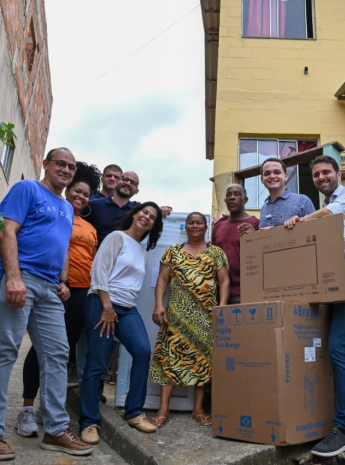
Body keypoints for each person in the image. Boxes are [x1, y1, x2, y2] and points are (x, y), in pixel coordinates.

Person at [0, 148, 92, 460]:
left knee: (57, 355)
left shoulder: (67, 208)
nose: (66, 170)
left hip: (50, 289)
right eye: (61, 164)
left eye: (71, 167)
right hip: (21, 277)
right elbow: (6, 230)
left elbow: (60, 247)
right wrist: (13, 277)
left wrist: (63, 282)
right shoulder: (27, 189)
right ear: (46, 164)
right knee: (4, 351)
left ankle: (55, 430)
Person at [284, 155, 345, 457]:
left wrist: (300, 219)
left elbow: (331, 214)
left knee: (339, 346)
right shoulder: (322, 204)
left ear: (338, 173)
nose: (322, 178)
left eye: (326, 173)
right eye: (317, 175)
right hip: (338, 282)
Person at [16, 161, 101, 438]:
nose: (81, 196)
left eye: (86, 194)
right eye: (77, 191)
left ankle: (47, 410)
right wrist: (61, 282)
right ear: (68, 190)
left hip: (81, 292)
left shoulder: (90, 227)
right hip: (56, 287)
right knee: (38, 350)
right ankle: (27, 408)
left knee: (62, 351)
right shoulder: (57, 214)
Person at [78, 202, 164, 443]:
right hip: (103, 303)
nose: (146, 217)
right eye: (144, 212)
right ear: (135, 214)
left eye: (153, 217)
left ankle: (134, 412)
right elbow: (99, 271)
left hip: (127, 308)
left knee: (143, 351)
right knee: (97, 363)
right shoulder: (116, 237)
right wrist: (106, 306)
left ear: (154, 225)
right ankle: (89, 422)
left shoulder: (141, 249)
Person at [149, 212, 230, 428]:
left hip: (205, 317)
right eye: (191, 223)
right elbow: (163, 278)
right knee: (170, 360)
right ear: (186, 227)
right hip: (176, 316)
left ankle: (198, 409)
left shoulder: (215, 252)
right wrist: (158, 304)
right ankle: (163, 408)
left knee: (203, 361)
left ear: (206, 227)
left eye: (199, 223)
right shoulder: (173, 251)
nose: (195, 226)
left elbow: (224, 280)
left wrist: (221, 308)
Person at [238, 157, 315, 235]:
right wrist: (254, 234)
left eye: (277, 172)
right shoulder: (264, 208)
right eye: (267, 173)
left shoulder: (303, 201)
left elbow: (315, 231)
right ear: (262, 179)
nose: (272, 176)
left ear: (285, 176)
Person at [211, 183, 259, 304]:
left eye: (237, 194)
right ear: (225, 200)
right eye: (229, 195)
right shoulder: (218, 225)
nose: (232, 197)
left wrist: (255, 237)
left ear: (245, 199)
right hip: (219, 293)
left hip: (245, 293)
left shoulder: (255, 224)